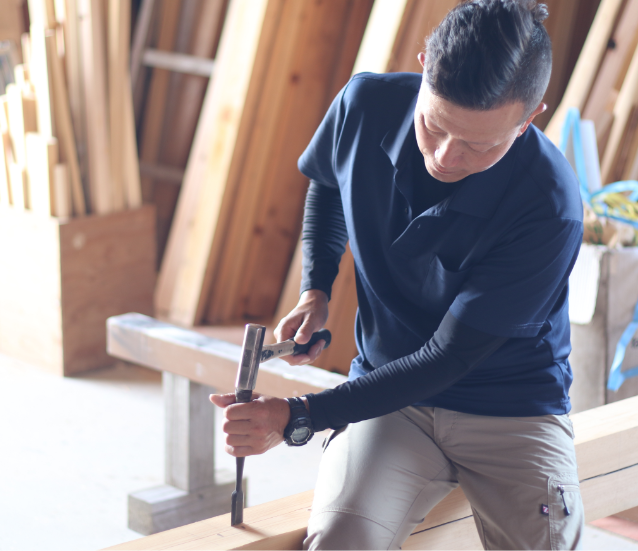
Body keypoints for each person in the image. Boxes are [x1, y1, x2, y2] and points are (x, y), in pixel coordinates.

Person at [209, 1, 585, 549]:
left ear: (529, 118)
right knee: (339, 541)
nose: (446, 157)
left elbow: (449, 357)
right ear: (424, 64)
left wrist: (297, 416)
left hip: (512, 410)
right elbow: (331, 183)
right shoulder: (365, 104)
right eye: (433, 125)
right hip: (392, 401)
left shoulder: (549, 204)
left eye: (479, 146)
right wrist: (316, 286)